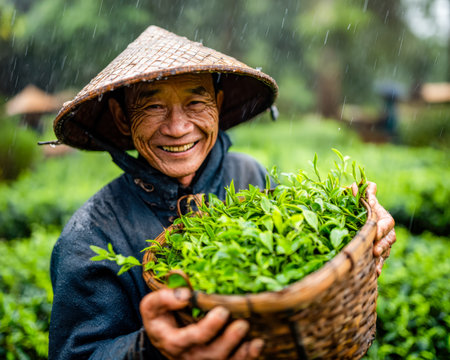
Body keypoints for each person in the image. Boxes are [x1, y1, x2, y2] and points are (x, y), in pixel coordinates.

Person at [49, 26, 396, 360]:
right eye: (153, 107)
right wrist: (152, 349)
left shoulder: (250, 175)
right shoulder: (90, 237)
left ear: (217, 104)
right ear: (123, 119)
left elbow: (301, 266)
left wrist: (358, 229)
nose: (178, 127)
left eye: (195, 102)